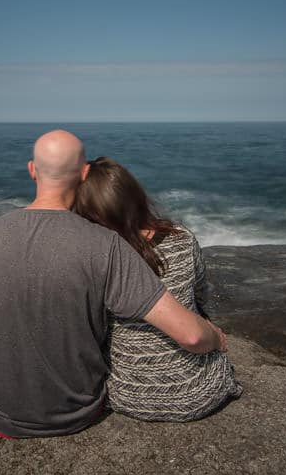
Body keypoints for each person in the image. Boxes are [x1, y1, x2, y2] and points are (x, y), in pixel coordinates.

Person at [0, 130, 227, 438]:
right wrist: (216, 338)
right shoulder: (105, 244)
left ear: (31, 169)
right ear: (85, 172)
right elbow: (191, 335)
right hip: (77, 415)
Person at [74, 157, 242, 421]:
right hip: (202, 389)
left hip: (128, 393)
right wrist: (209, 330)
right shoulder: (182, 238)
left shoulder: (95, 257)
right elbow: (199, 294)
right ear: (135, 195)